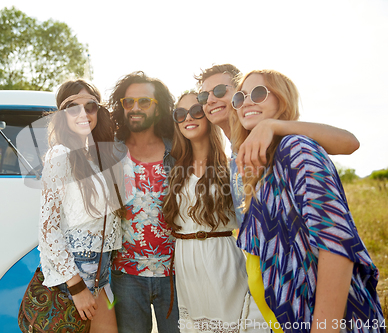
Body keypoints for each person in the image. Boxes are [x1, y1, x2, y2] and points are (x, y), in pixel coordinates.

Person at [231, 69, 385, 333]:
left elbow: (336, 243)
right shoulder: (264, 168)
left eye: (258, 93)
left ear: (283, 101)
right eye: (240, 97)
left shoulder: (297, 150)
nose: (246, 101)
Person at [195, 64, 360, 225]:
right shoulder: (234, 155)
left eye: (219, 91)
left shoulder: (284, 142)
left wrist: (272, 126)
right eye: (203, 96)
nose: (210, 100)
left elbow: (349, 142)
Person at [162, 92, 269, 333]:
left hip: (221, 258)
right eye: (180, 114)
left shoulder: (231, 165)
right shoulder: (174, 168)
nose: (188, 117)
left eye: (196, 111)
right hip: (185, 261)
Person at [39, 79, 124, 333]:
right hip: (75, 274)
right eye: (73, 108)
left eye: (90, 106)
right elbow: (48, 231)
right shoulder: (60, 154)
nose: (83, 114)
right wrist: (77, 288)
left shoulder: (98, 156)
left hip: (102, 273)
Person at [108, 71, 179, 333]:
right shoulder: (112, 150)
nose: (135, 108)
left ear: (159, 108)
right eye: (129, 102)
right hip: (125, 273)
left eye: (144, 102)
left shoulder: (177, 149)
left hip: (174, 272)